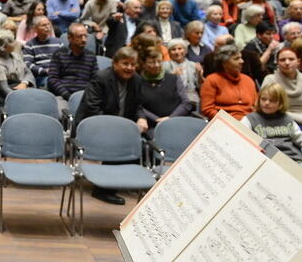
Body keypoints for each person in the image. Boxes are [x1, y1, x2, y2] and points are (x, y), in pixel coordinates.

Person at [73, 46, 148, 205]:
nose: (129, 68)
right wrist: (115, 129)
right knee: (117, 141)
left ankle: (119, 182)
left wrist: (141, 118)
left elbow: (138, 106)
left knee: (144, 141)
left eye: (133, 65)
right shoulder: (102, 78)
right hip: (95, 124)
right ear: (115, 64)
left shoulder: (137, 80)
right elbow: (92, 108)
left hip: (121, 125)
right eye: (125, 64)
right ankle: (103, 189)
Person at [241, 82, 302, 165]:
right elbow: (240, 140)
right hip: (265, 161)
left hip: (292, 161)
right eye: (263, 99)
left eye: (272, 100)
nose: (266, 103)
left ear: (280, 103)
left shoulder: (286, 119)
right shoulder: (250, 119)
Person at [261, 47, 302, 135]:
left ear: (298, 61)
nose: (287, 63)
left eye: (291, 59)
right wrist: (299, 118)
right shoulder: (270, 80)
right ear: (277, 62)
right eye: (282, 60)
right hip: (280, 121)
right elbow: (266, 107)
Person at [138, 47, 193, 129]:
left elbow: (186, 103)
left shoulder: (174, 78)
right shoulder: (138, 82)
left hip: (177, 121)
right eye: (152, 62)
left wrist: (170, 118)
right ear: (143, 64)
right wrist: (157, 120)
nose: (156, 65)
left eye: (159, 62)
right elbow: (138, 107)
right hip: (152, 125)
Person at [200, 44, 257, 120]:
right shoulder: (212, 80)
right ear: (224, 63)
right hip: (223, 124)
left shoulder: (248, 80)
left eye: (241, 58)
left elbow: (257, 106)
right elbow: (207, 109)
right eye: (236, 59)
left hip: (249, 122)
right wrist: (228, 122)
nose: (242, 61)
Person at [46, 22, 97, 102]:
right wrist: (67, 95)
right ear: (70, 38)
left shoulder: (91, 56)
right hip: (62, 96)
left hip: (84, 97)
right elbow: (52, 79)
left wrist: (86, 95)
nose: (84, 40)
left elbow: (95, 79)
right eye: (80, 36)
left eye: (85, 36)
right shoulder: (59, 54)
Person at [0, 30, 36, 112]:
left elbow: (28, 72)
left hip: (25, 90)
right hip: (8, 99)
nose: (15, 43)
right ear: (3, 47)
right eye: (11, 41)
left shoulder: (16, 56)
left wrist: (24, 83)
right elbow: (4, 89)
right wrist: (22, 96)